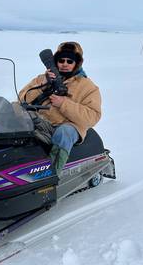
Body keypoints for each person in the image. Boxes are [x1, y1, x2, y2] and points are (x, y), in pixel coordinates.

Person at [18, 41, 102, 175]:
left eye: (70, 61)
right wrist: (43, 85)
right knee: (14, 108)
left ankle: (51, 174)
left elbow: (93, 117)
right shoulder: (42, 78)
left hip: (67, 126)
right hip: (43, 122)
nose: (65, 64)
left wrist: (64, 104)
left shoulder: (88, 87)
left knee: (64, 132)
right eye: (61, 60)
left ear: (77, 63)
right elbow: (22, 99)